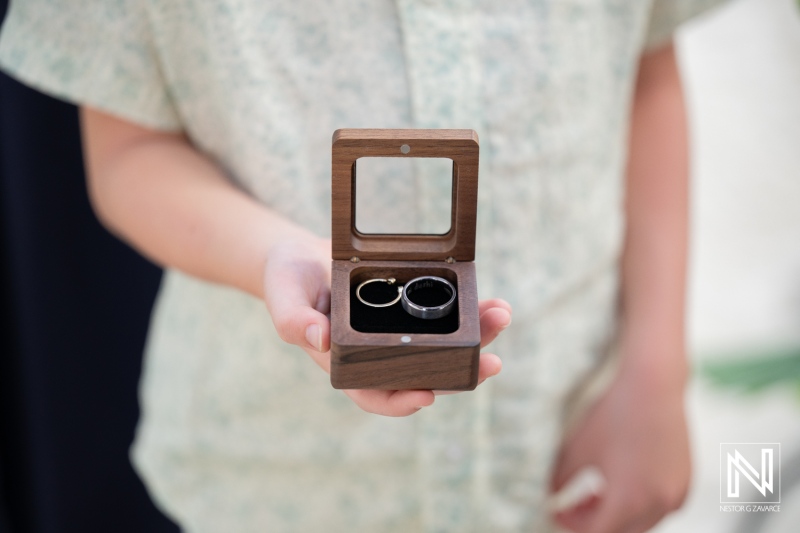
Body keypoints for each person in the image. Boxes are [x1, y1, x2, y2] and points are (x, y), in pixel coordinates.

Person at [0, 0, 725, 531]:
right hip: (272, 473)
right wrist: (273, 255)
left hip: (563, 441)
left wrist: (656, 374)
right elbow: (126, 154)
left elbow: (648, 70)